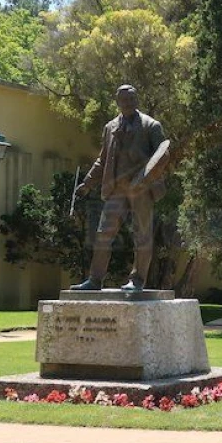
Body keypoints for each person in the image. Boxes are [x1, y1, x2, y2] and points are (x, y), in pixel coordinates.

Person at [71, 85, 166, 291]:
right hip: (116, 189)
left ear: (136, 100)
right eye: (124, 100)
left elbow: (162, 155)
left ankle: (138, 280)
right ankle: (95, 280)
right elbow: (102, 160)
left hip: (141, 188)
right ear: (118, 102)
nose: (128, 103)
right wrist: (87, 184)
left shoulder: (151, 126)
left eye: (132, 99)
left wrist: (146, 175)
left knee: (142, 235)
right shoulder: (110, 127)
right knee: (103, 233)